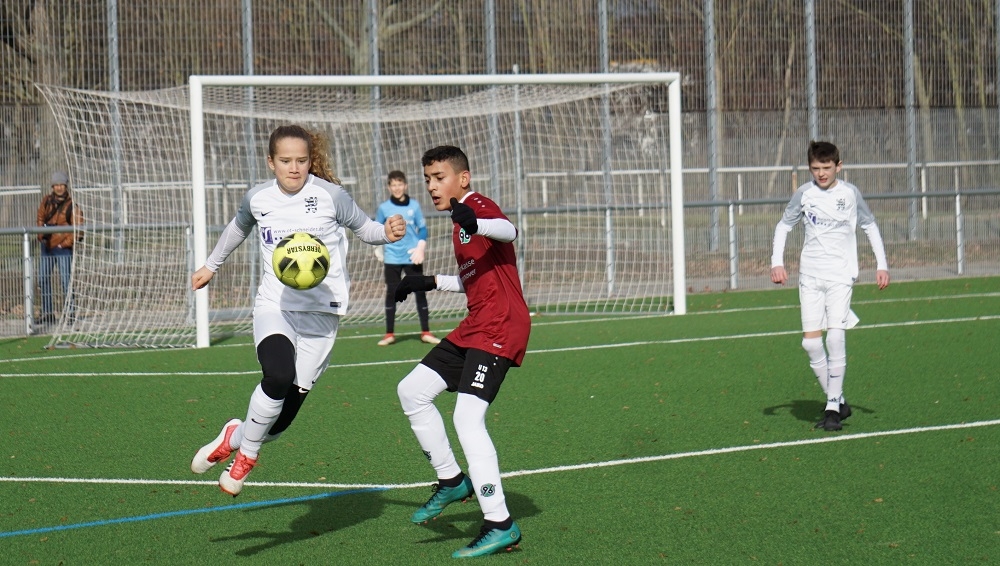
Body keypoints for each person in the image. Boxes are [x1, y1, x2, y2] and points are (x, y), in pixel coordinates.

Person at [189, 125, 406, 496]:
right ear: (270, 162)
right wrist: (211, 265)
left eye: (301, 160)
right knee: (277, 376)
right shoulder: (258, 198)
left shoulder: (330, 196)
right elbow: (237, 228)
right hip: (276, 306)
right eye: (285, 160)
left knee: (279, 423)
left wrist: (387, 232)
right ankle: (246, 458)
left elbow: (366, 228)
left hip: (322, 315)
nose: (294, 168)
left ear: (310, 160)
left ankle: (234, 437)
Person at [394, 145, 530, 558]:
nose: (432, 186)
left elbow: (509, 231)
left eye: (439, 177)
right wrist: (430, 282)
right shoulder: (459, 223)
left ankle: (500, 523)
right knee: (411, 391)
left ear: (463, 178)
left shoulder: (476, 206)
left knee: (467, 419)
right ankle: (452, 481)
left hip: (501, 325)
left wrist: (478, 221)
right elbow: (474, 280)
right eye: (427, 179)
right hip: (476, 325)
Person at [771, 140, 890, 432]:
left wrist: (882, 265)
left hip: (840, 275)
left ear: (839, 166)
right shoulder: (804, 194)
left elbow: (869, 225)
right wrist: (777, 262)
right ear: (809, 168)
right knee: (811, 343)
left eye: (826, 167)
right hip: (810, 276)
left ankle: (832, 410)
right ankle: (839, 401)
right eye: (815, 168)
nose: (821, 173)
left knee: (835, 338)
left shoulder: (850, 194)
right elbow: (783, 225)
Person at [374, 170, 441, 346]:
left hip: (412, 257)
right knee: (392, 293)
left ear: (405, 186)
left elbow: (423, 228)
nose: (397, 188)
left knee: (420, 292)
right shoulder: (384, 208)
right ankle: (389, 334)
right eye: (393, 185)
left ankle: (426, 332)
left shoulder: (414, 206)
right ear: (389, 187)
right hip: (392, 258)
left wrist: (421, 246)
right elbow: (376, 229)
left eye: (400, 184)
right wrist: (377, 247)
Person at [36, 171, 82, 325]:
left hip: (63, 248)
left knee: (66, 281)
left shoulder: (72, 206)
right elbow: (40, 218)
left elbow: (78, 230)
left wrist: (64, 243)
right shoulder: (46, 201)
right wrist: (41, 235)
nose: (59, 187)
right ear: (52, 186)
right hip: (47, 246)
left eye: (62, 184)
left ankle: (70, 313)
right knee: (42, 279)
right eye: (56, 185)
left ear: (66, 186)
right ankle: (47, 313)